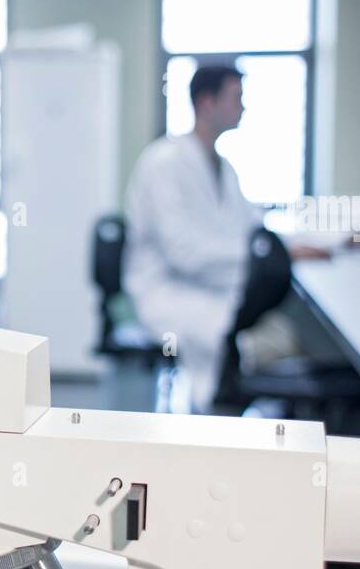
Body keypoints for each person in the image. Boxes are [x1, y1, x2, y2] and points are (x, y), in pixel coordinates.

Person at [123, 64, 328, 412]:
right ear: (206, 102)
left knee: (284, 337)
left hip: (209, 288)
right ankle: (223, 411)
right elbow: (185, 253)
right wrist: (280, 255)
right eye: (237, 98)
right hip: (170, 293)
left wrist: (315, 244)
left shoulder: (223, 167)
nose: (243, 107)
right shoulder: (164, 163)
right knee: (270, 341)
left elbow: (254, 230)